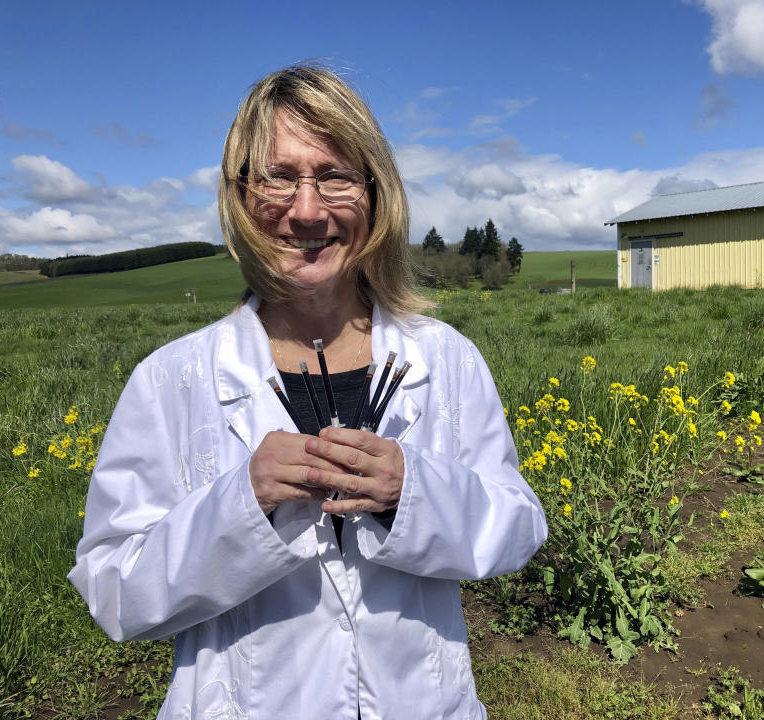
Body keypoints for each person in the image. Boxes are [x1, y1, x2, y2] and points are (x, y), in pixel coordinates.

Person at [67, 64, 547, 720]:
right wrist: (244, 504)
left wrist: (414, 491)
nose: (307, 210)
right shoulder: (172, 381)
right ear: (240, 195)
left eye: (335, 176)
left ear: (375, 193)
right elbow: (114, 594)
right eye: (278, 176)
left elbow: (517, 529)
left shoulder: (447, 360)